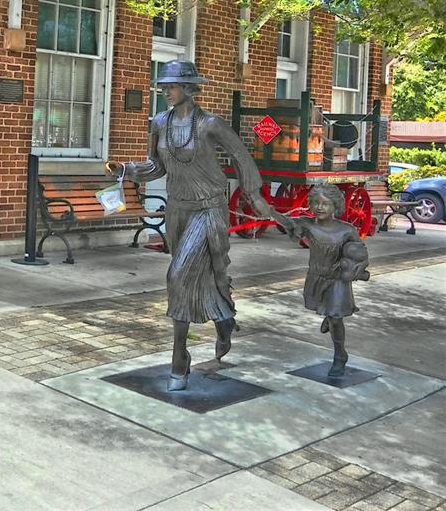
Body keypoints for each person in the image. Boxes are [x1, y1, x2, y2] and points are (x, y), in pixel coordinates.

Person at [107, 61, 273, 391]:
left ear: (188, 88)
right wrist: (127, 169)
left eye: (171, 86)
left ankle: (179, 358)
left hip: (209, 209)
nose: (166, 92)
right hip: (178, 210)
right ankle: (224, 318)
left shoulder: (211, 124)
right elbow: (156, 166)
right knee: (197, 275)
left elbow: (242, 157)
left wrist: (254, 195)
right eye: (164, 87)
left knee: (178, 275)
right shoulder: (159, 122)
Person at [273, 184, 369, 377]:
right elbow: (285, 221)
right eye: (315, 202)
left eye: (325, 203)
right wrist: (266, 208)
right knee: (328, 311)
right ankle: (329, 316)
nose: (319, 207)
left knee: (336, 317)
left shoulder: (347, 230)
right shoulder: (307, 225)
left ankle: (340, 355)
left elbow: (361, 256)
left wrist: (355, 268)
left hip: (337, 279)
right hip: (316, 277)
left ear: (335, 206)